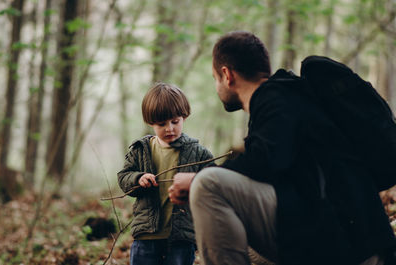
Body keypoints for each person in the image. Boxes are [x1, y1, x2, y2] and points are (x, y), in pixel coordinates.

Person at [168, 31, 396, 265]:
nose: (217, 86)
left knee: (209, 185)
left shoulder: (276, 98)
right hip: (348, 240)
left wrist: (196, 180)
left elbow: (266, 160)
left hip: (348, 245)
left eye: (215, 78)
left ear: (227, 75)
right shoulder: (289, 98)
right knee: (241, 242)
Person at [117, 82, 214, 265]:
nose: (169, 128)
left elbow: (213, 183)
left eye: (175, 122)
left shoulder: (198, 153)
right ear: (150, 122)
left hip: (181, 235)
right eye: (162, 124)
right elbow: (123, 178)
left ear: (184, 117)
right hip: (146, 234)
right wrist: (138, 178)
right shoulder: (140, 150)